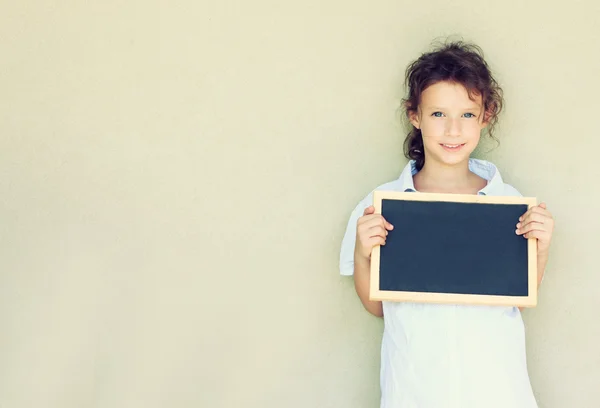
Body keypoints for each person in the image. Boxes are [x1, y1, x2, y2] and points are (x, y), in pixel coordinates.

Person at [338, 40, 555, 408]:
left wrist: (542, 246)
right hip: (415, 389)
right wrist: (362, 255)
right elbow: (377, 306)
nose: (453, 130)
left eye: (467, 115)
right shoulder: (382, 204)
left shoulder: (507, 201)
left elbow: (518, 293)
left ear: (486, 116)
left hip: (498, 390)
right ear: (415, 116)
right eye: (438, 114)